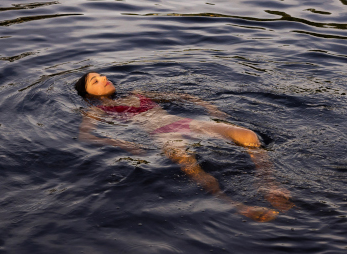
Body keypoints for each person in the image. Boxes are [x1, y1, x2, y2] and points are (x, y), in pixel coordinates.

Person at [74, 71, 293, 221]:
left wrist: (210, 108)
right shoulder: (97, 111)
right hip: (161, 135)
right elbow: (86, 136)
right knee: (192, 168)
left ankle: (269, 185)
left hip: (181, 123)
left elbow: (184, 96)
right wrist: (122, 144)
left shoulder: (137, 94)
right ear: (88, 95)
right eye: (94, 81)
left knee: (247, 135)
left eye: (100, 75)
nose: (103, 78)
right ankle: (238, 207)